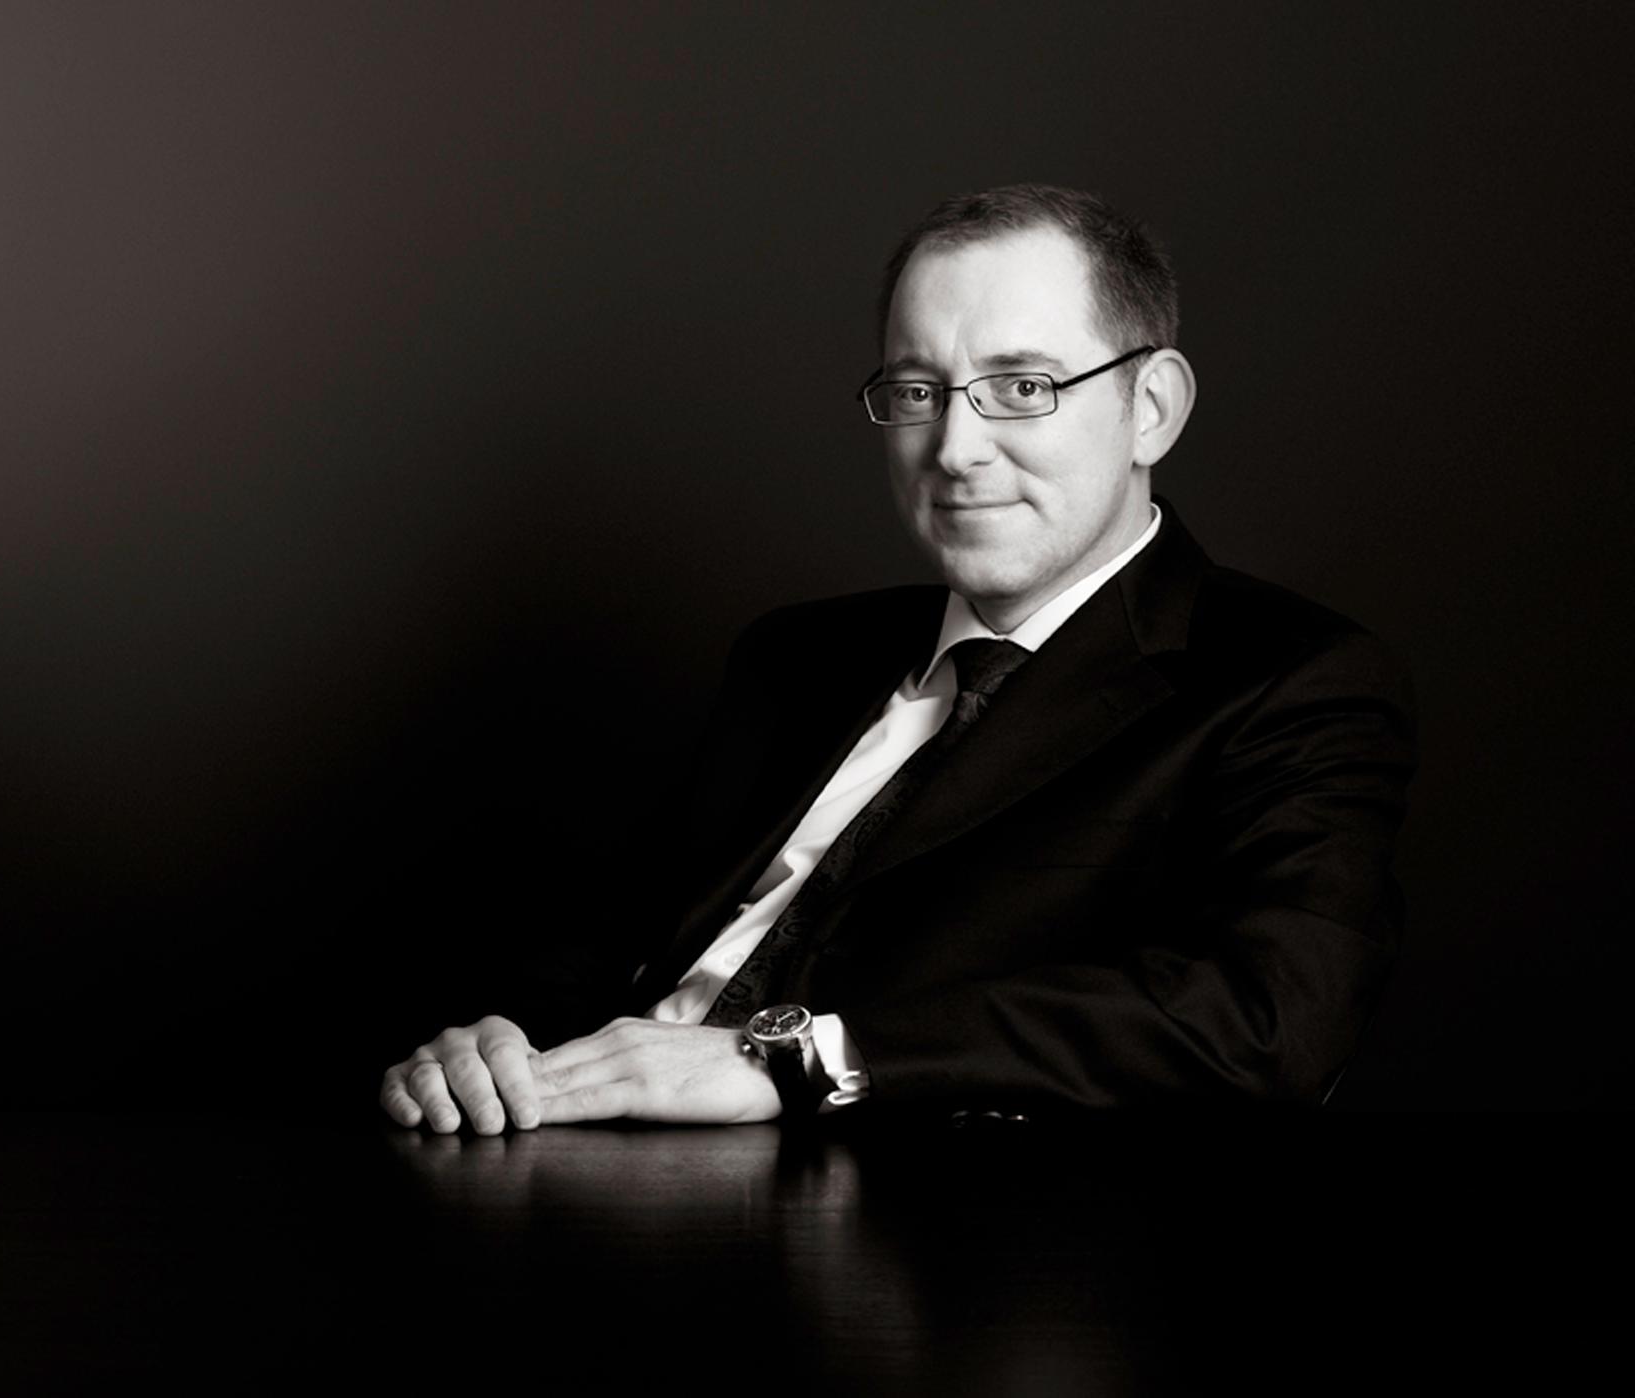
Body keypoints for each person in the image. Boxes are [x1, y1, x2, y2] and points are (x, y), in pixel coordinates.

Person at [378, 184, 1415, 1132]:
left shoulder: (1289, 681)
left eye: (1019, 387)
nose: (954, 448)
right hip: (539, 1168)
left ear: (1149, 408)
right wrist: (499, 1047)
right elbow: (614, 940)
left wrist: (791, 1061)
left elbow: (1269, 1020)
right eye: (917, 391)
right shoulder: (794, 656)